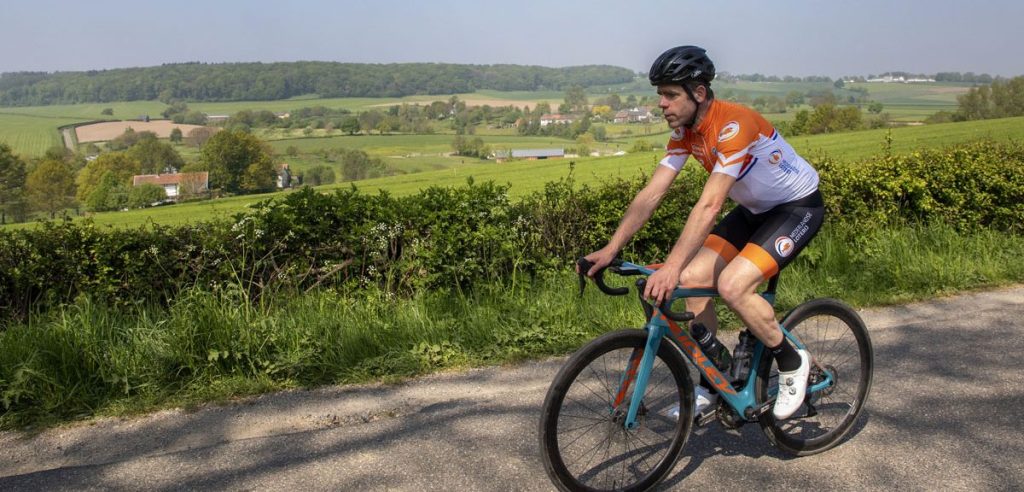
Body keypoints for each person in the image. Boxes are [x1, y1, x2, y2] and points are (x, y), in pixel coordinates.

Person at [581, 46, 825, 420]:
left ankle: (793, 362)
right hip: (754, 212)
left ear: (698, 92)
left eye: (670, 94)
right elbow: (652, 193)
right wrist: (612, 248)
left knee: (732, 286)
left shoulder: (734, 125)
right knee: (694, 280)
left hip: (797, 208)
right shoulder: (685, 133)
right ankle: (714, 379)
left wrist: (671, 266)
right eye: (660, 94)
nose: (662, 103)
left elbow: (710, 206)